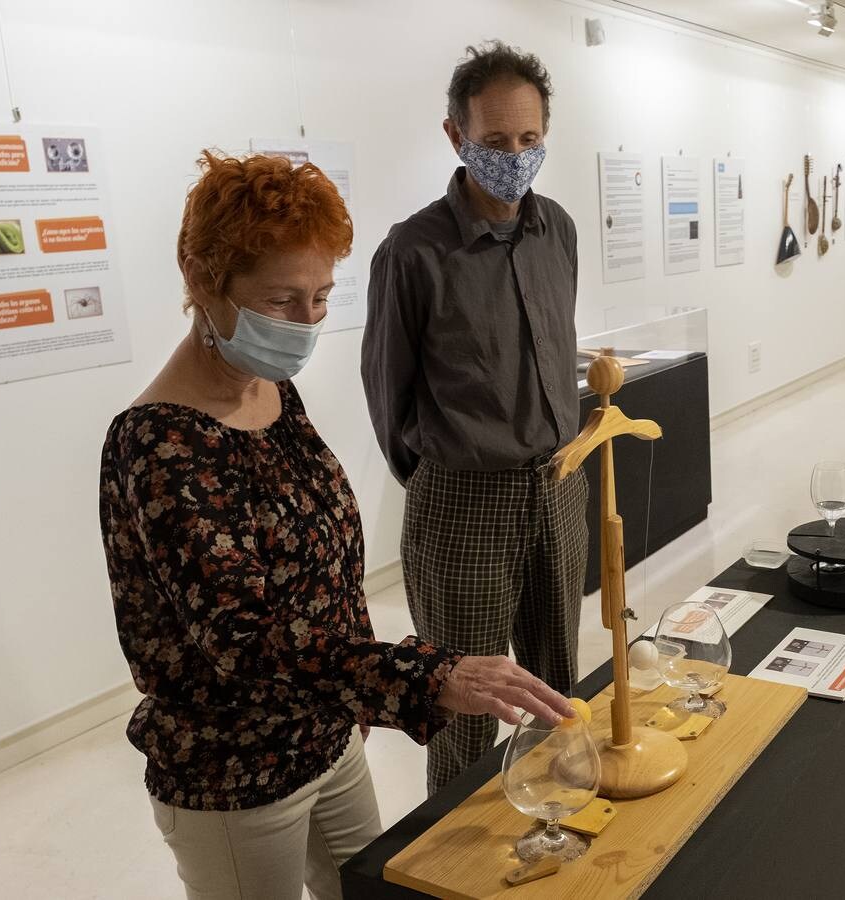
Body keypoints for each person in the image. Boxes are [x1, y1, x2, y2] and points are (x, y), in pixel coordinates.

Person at [98, 150, 573, 900]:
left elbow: (324, 567)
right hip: (237, 772)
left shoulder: (269, 392)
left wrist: (353, 701)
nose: (308, 322)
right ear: (202, 283)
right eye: (282, 301)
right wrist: (425, 675)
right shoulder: (161, 444)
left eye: (320, 296)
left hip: (325, 736)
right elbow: (245, 638)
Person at [361, 41, 587, 794]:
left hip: (558, 487)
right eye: (495, 142)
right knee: (463, 712)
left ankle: (558, 824)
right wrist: (454, 473)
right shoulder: (412, 252)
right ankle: (455, 862)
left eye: (529, 140)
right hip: (461, 503)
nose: (515, 156)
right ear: (456, 136)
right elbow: (386, 397)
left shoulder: (557, 228)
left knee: (558, 690)